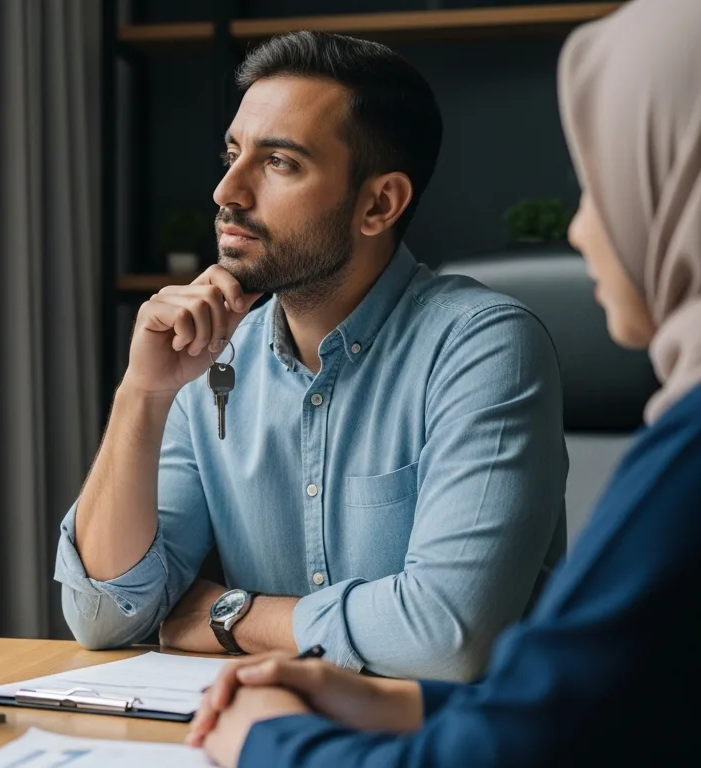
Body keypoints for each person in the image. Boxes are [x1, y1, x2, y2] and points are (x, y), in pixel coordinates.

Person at [186, 1, 701, 764]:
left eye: (610, 185)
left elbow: (491, 734)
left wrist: (265, 737)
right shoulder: (218, 349)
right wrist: (400, 699)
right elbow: (607, 709)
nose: (578, 229)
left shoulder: (687, 460)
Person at [54, 31, 567, 681]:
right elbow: (104, 616)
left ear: (379, 204)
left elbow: (446, 636)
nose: (226, 192)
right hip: (273, 733)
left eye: (279, 163)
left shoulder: (483, 347)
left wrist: (231, 616)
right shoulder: (213, 357)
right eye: (233, 154)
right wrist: (143, 393)